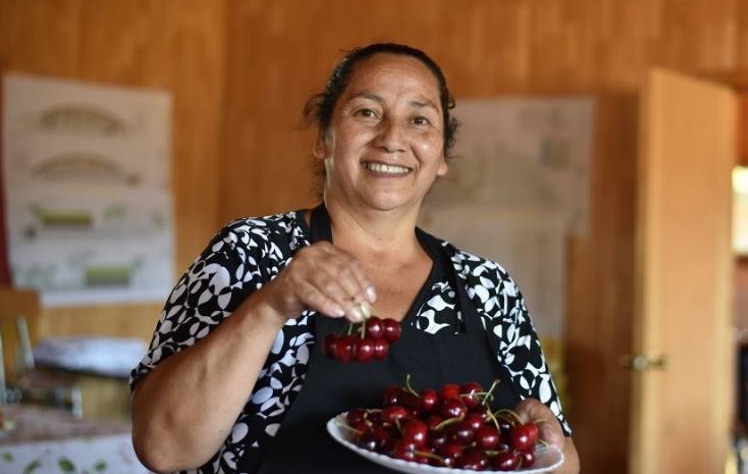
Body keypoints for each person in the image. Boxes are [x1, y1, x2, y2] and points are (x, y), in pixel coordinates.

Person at [130, 43, 580, 473]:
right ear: (323, 138)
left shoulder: (487, 287)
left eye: (419, 120)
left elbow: (564, 464)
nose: (392, 139)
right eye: (367, 112)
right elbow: (163, 447)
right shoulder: (249, 252)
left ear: (441, 155)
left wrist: (544, 440)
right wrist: (269, 306)